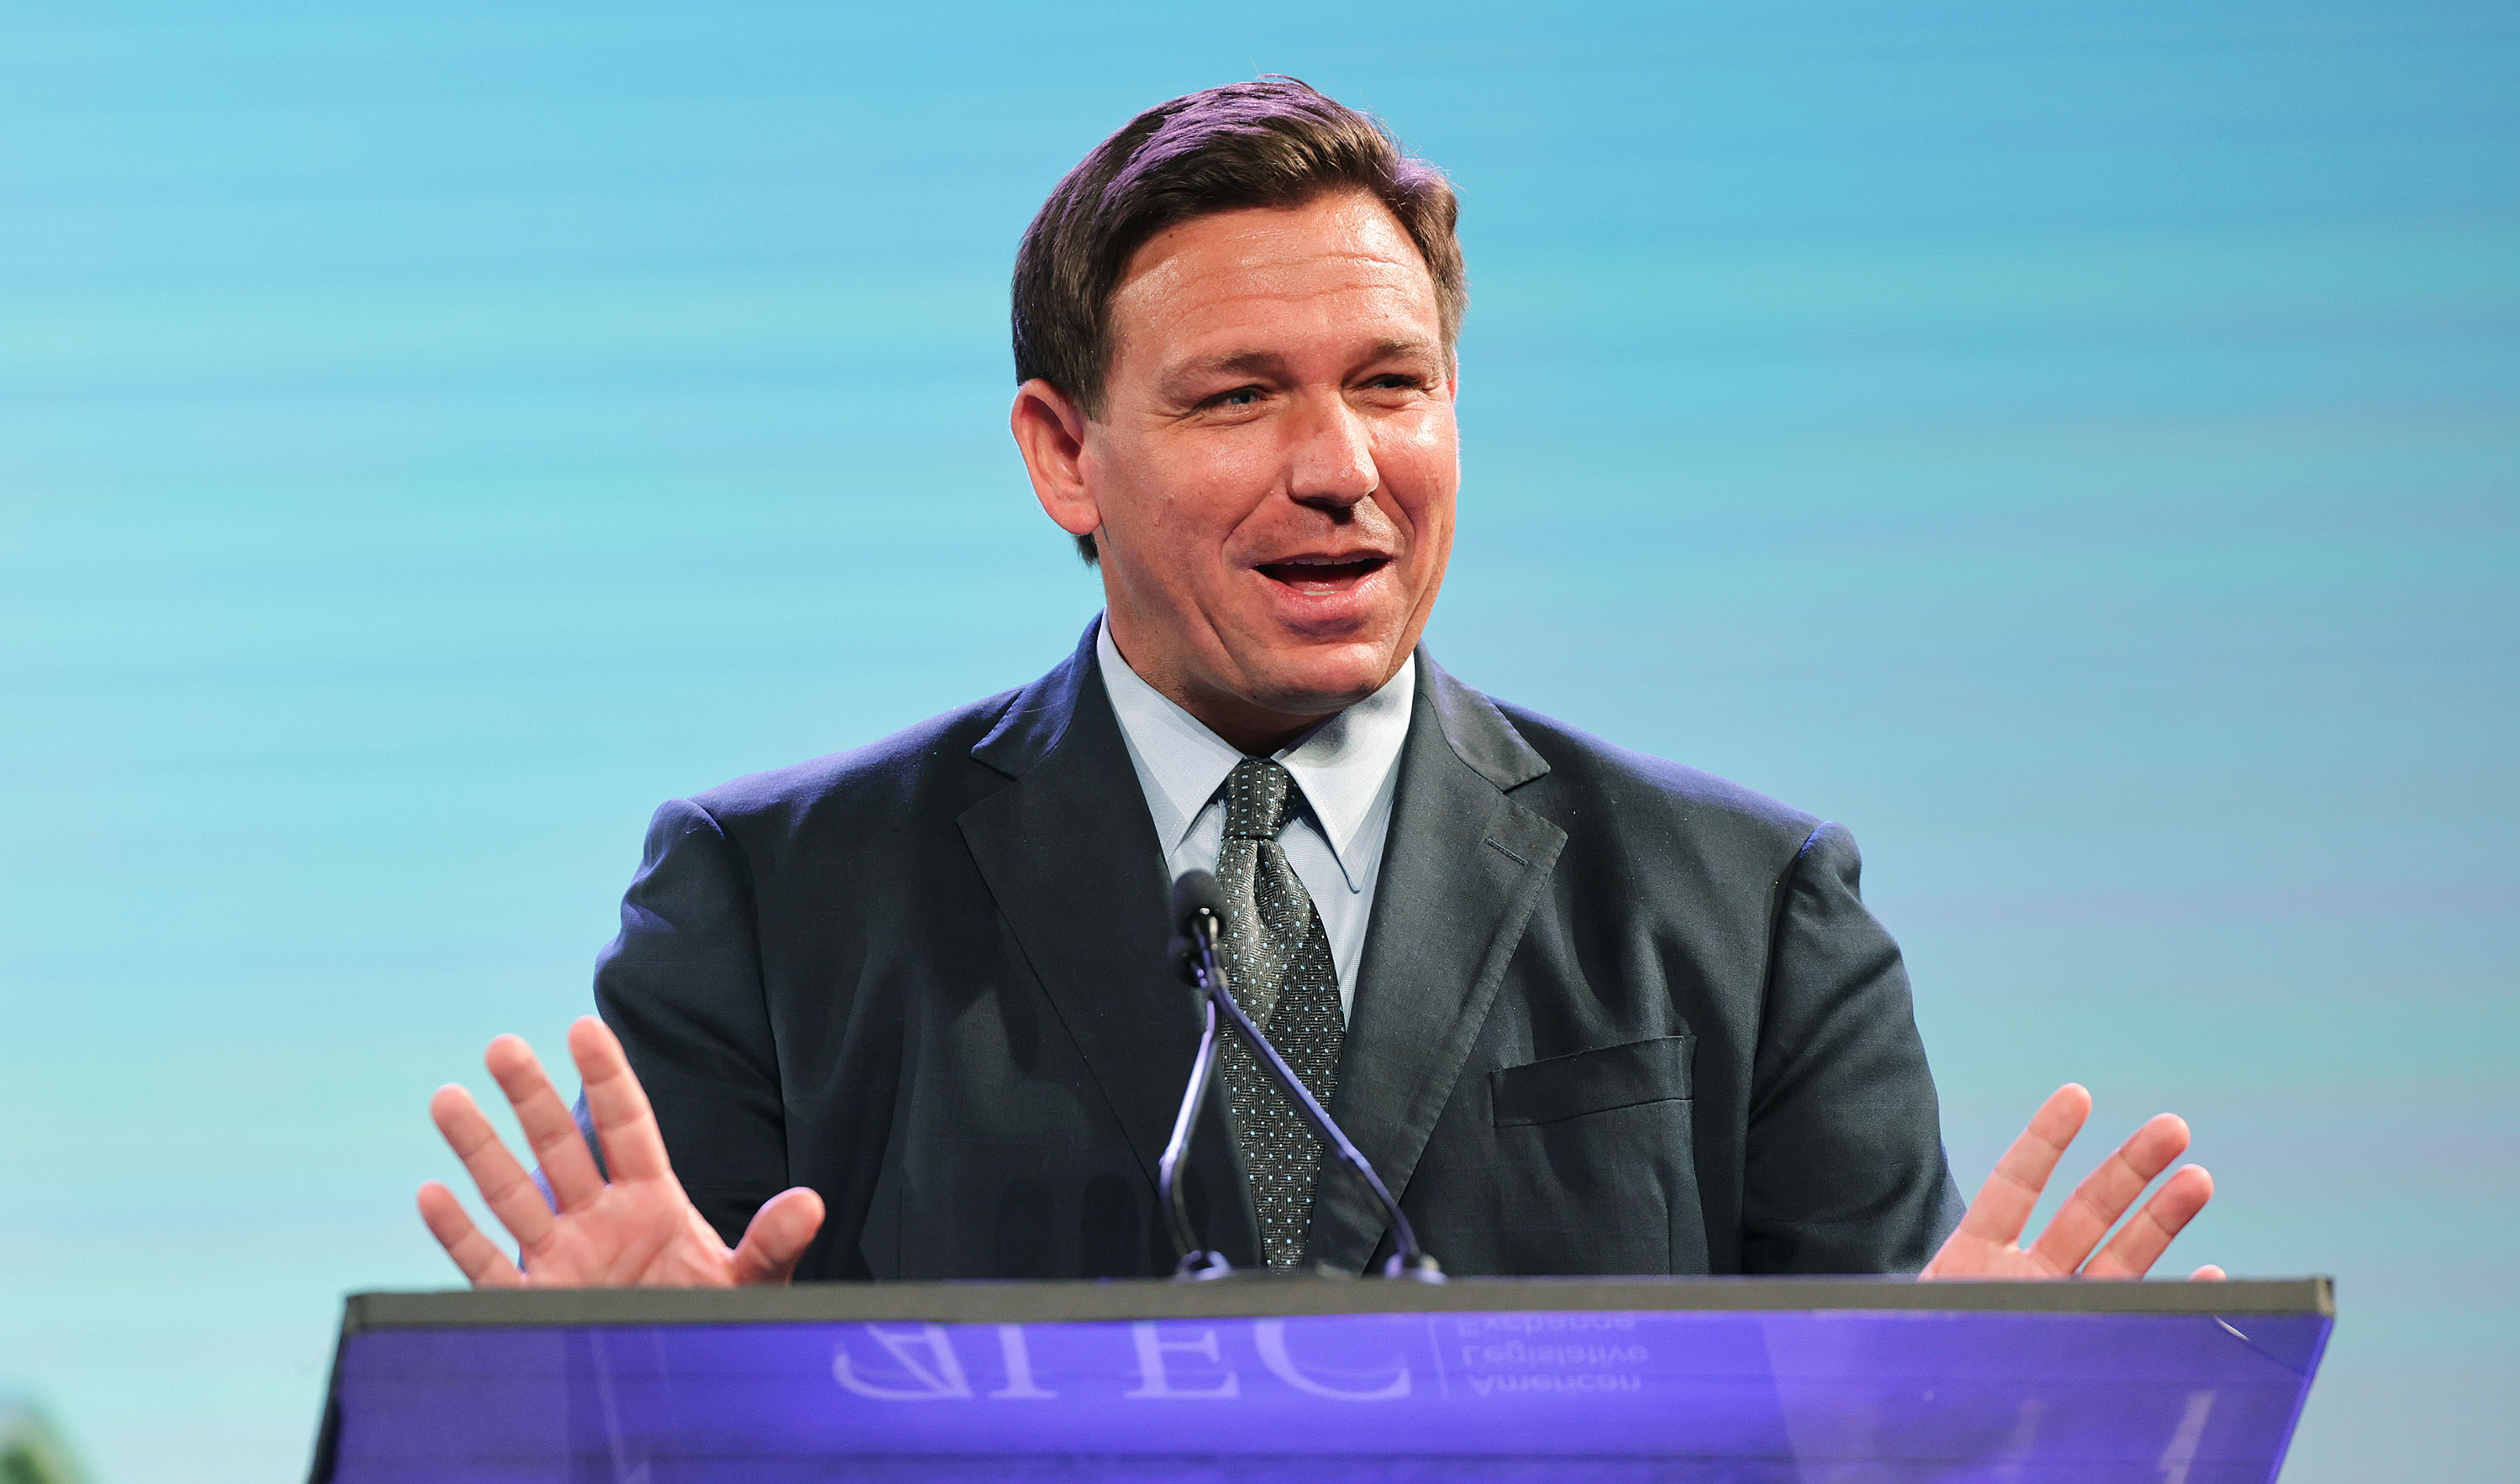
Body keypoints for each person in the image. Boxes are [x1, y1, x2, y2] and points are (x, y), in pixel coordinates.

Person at [417, 78, 2219, 1289]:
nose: (1342, 467)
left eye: (1392, 384)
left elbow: (1863, 1434)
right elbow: (657, 1422)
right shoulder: (775, 904)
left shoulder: (1748, 913)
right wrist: (625, 1414)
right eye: (1239, 397)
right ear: (1063, 454)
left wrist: (1957, 1427)